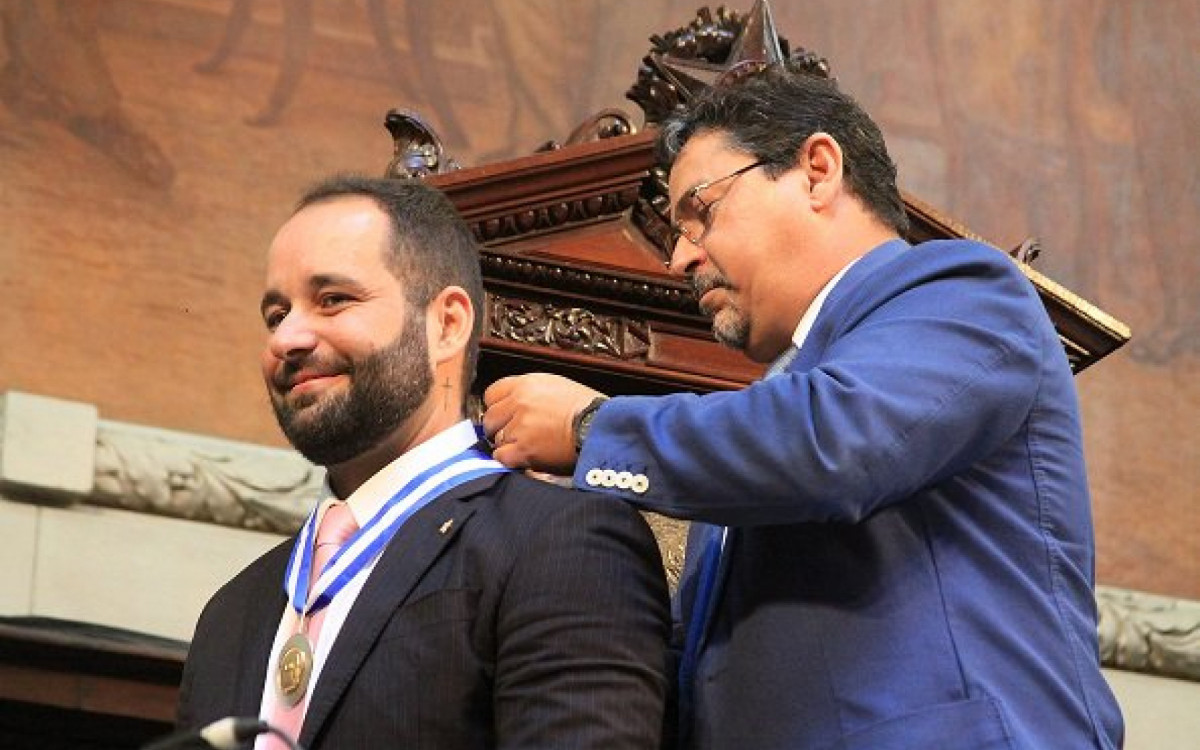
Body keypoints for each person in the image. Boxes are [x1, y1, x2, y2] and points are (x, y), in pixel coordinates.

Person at [482, 62, 1124, 749]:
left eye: (701, 212)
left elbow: (836, 442)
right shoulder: (767, 419)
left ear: (818, 171)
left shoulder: (965, 290)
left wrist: (590, 429)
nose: (679, 259)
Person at [176, 176, 670, 750]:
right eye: (275, 314)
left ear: (447, 324)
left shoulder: (557, 543)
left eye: (333, 299)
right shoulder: (231, 614)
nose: (287, 338)